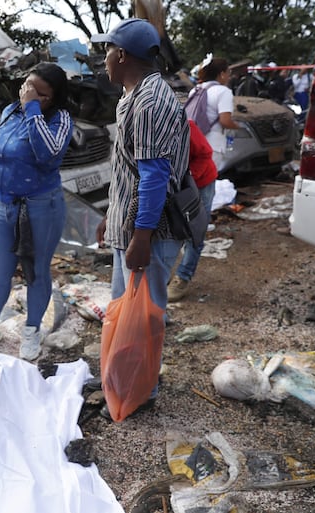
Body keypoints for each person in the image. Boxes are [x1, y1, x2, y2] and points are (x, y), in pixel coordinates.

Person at [91, 19, 190, 420]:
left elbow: (153, 177)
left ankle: (138, 390)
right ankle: (126, 379)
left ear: (120, 55)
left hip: (150, 229)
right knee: (128, 311)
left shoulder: (149, 102)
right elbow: (129, 171)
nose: (104, 61)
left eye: (106, 52)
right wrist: (109, 215)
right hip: (132, 225)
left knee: (143, 316)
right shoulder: (134, 96)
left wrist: (142, 237)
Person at [0, 62, 73, 361]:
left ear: (54, 98)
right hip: (3, 204)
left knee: (36, 271)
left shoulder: (61, 120)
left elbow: (49, 156)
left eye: (40, 94)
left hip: (41, 207)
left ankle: (32, 331)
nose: (29, 95)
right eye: (27, 88)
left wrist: (32, 110)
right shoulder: (8, 113)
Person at [167, 120, 218, 302]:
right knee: (172, 229)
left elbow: (205, 154)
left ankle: (183, 276)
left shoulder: (184, 126)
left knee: (194, 231)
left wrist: (187, 183)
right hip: (175, 186)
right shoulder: (147, 129)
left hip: (201, 183)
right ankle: (164, 273)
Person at [192, 57, 240, 169]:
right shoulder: (223, 91)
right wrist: (237, 126)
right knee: (209, 179)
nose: (229, 76)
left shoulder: (196, 90)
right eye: (229, 72)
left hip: (195, 141)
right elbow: (225, 121)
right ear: (222, 74)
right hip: (213, 144)